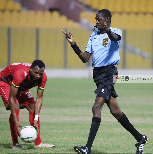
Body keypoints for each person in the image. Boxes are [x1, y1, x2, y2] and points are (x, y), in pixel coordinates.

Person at [62, 9, 147, 154]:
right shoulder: (93, 36)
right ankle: (140, 138)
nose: (96, 22)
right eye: (95, 19)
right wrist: (73, 44)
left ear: (106, 19)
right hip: (98, 75)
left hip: (109, 73)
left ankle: (87, 148)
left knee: (96, 107)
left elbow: (114, 38)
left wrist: (107, 30)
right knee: (115, 111)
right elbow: (85, 58)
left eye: (98, 19)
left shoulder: (115, 31)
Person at [0, 60, 55, 149]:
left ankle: (38, 143)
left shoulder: (43, 77)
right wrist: (16, 121)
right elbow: (12, 98)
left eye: (40, 74)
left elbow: (39, 98)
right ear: (30, 70)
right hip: (5, 81)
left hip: (20, 85)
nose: (38, 76)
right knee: (15, 107)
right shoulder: (21, 74)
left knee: (33, 108)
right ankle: (15, 144)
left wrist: (36, 118)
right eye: (36, 73)